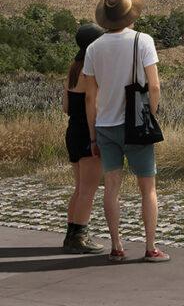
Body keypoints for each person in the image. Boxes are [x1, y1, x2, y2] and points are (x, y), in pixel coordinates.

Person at [82, 0, 170, 263]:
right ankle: (150, 247)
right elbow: (154, 85)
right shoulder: (143, 41)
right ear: (131, 14)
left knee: (111, 188)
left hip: (106, 125)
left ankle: (116, 246)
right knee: (148, 189)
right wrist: (148, 114)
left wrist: (93, 134)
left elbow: (89, 96)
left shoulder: (94, 48)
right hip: (136, 124)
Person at [61, 23, 107, 254]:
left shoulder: (72, 67)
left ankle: (71, 235)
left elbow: (65, 107)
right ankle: (80, 236)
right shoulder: (91, 70)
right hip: (86, 132)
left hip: (72, 131)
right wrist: (93, 137)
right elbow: (92, 104)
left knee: (79, 187)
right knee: (88, 189)